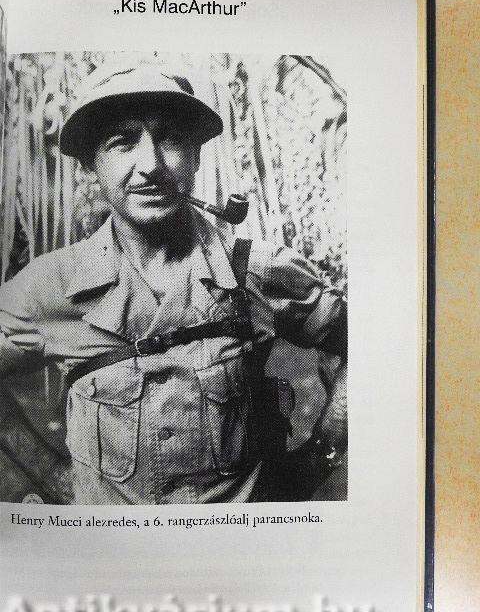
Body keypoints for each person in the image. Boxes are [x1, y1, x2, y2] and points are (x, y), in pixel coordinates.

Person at [0, 62, 347, 504]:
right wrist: (50, 476)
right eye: (122, 142)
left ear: (195, 157)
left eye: (169, 139)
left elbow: (368, 339)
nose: (150, 165)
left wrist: (325, 446)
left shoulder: (253, 270)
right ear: (92, 165)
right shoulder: (50, 286)